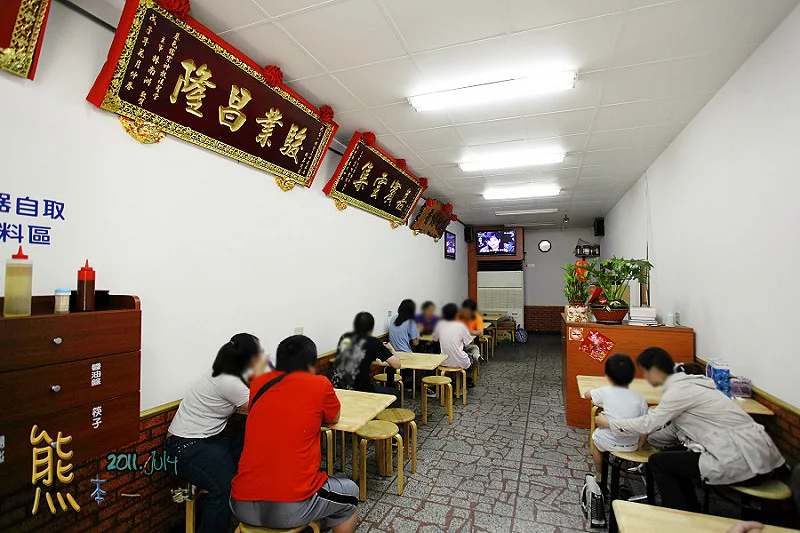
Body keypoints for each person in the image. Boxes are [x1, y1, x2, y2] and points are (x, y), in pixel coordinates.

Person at [596, 347, 785, 512]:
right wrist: (645, 440)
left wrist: (611, 424)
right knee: (672, 455)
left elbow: (649, 423)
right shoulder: (697, 386)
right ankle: (691, 509)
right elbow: (670, 432)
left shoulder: (679, 390)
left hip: (745, 464)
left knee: (659, 462)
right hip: (762, 457)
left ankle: (679, 515)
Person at [230, 335, 359, 533]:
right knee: (350, 495)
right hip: (291, 506)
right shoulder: (320, 384)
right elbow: (334, 417)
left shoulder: (258, 383)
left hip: (240, 504)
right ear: (311, 364)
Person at [166, 333, 265, 533]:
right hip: (184, 446)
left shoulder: (230, 372)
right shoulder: (227, 379)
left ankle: (256, 509)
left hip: (210, 440)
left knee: (253, 448)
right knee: (223, 487)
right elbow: (262, 406)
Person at [583, 353, 649, 486]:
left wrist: (590, 390)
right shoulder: (640, 398)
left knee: (596, 441)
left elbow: (587, 395)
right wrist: (640, 445)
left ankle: (600, 474)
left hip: (607, 440)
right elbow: (645, 425)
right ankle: (622, 468)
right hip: (632, 444)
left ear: (607, 376)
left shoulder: (605, 391)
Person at [330, 312, 402, 401]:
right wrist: (391, 348)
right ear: (371, 329)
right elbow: (397, 365)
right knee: (395, 393)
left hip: (337, 386)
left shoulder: (345, 337)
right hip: (360, 390)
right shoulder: (373, 342)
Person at [434, 303, 478, 386]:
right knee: (475, 360)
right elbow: (469, 342)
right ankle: (462, 383)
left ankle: (454, 381)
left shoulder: (439, 325)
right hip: (460, 361)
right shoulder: (461, 326)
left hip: (443, 361)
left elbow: (435, 339)